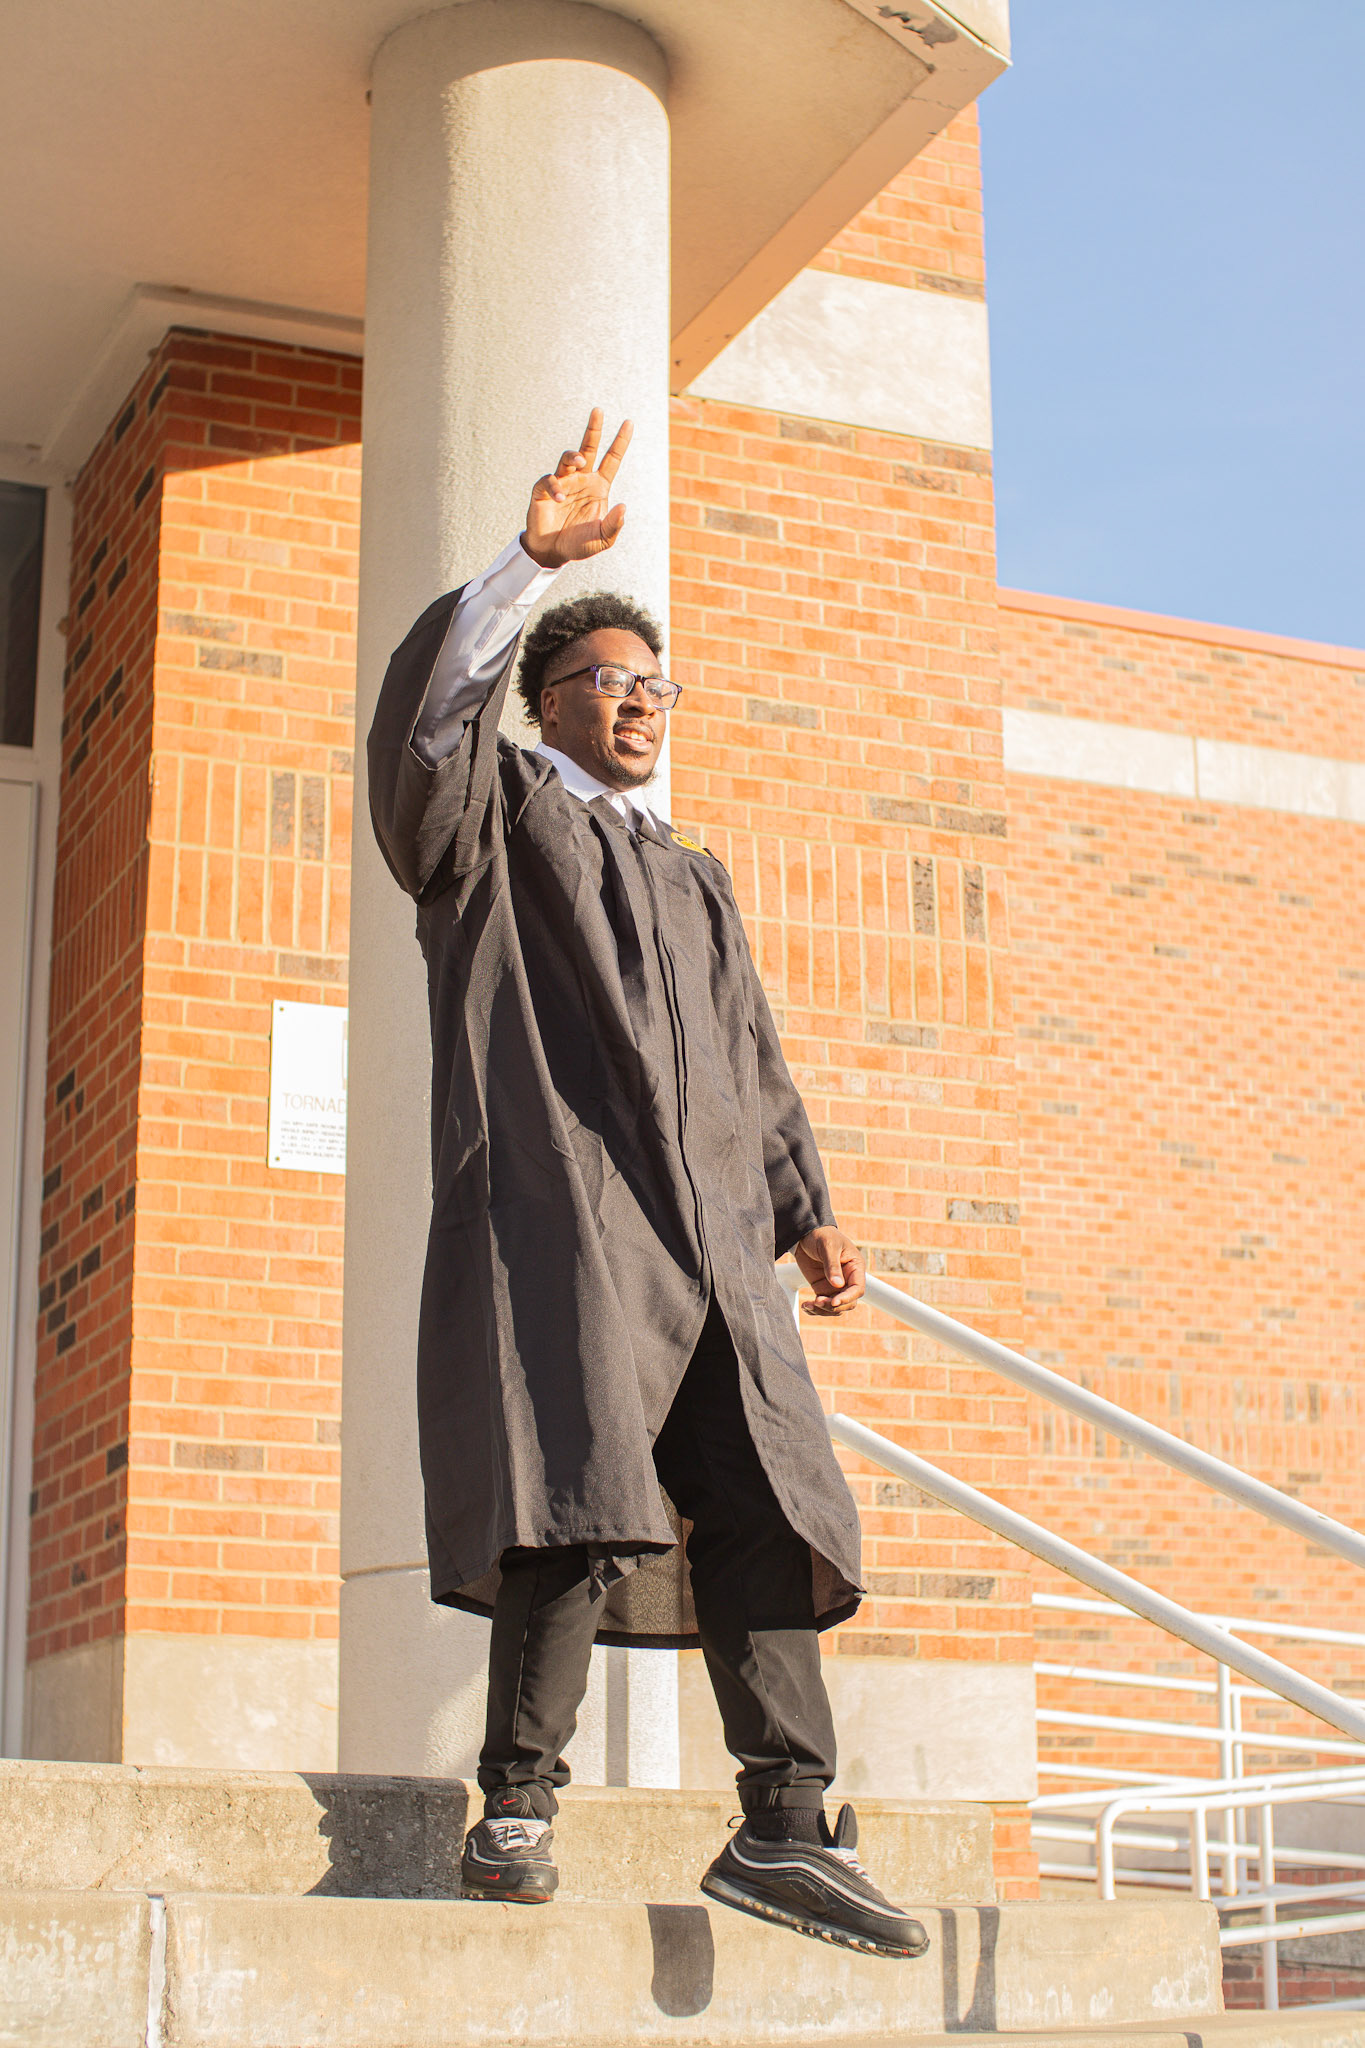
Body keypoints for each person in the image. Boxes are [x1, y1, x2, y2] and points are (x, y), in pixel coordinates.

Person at [367, 410, 929, 1960]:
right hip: (571, 1218)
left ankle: (785, 1827)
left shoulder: (694, 875)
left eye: (653, 684)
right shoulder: (494, 824)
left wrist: (805, 1205)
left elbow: (751, 1055)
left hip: (718, 1244)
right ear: (545, 702)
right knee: (573, 1497)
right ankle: (517, 1803)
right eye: (605, 680)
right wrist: (520, 568)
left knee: (764, 1505)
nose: (635, 702)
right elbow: (428, 735)